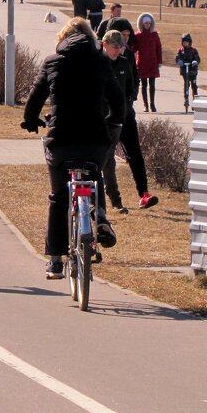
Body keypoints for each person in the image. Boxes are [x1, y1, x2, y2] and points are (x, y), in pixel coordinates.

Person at [22, 17, 124, 279]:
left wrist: (31, 121)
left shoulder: (52, 62)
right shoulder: (101, 62)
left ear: (63, 39)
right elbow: (117, 100)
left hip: (62, 142)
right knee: (94, 175)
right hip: (94, 141)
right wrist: (112, 122)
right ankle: (100, 216)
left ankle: (56, 260)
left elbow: (34, 99)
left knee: (58, 198)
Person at [100, 29, 159, 213]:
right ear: (105, 45)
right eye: (114, 47)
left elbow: (134, 83)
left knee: (135, 153)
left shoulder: (126, 62)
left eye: (121, 47)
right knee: (108, 160)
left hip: (125, 116)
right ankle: (115, 201)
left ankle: (144, 194)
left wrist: (129, 100)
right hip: (106, 120)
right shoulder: (99, 65)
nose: (118, 51)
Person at [134, 12, 162, 112]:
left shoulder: (154, 35)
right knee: (144, 84)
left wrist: (159, 61)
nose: (147, 25)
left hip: (153, 62)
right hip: (142, 63)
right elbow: (134, 48)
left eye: (149, 23)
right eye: (145, 23)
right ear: (142, 24)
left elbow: (158, 48)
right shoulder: (138, 36)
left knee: (152, 84)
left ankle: (152, 104)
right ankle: (145, 105)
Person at [175, 33, 201, 108]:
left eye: (186, 42)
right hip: (184, 70)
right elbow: (177, 57)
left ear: (189, 42)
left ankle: (195, 101)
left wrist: (195, 62)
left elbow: (197, 58)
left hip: (192, 71)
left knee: (194, 85)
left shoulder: (193, 50)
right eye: (184, 42)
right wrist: (179, 61)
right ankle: (186, 99)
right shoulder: (181, 51)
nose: (185, 43)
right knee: (186, 84)